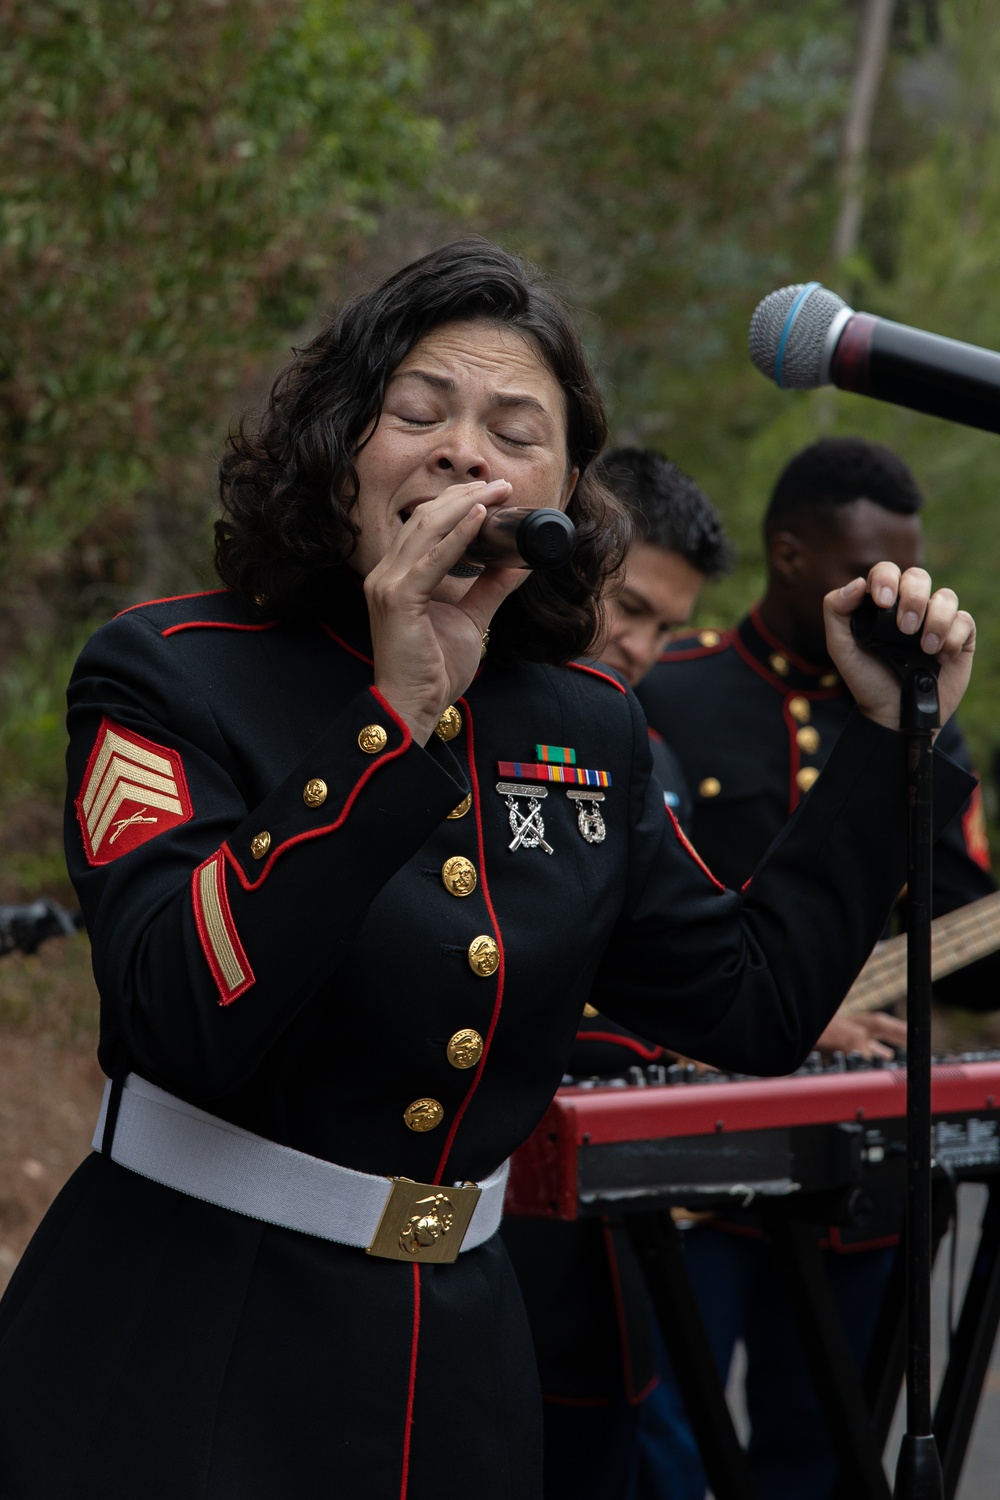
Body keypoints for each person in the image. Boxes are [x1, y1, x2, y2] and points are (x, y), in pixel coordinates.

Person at [0, 249, 977, 1500]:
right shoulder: (172, 670)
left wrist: (891, 741)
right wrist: (390, 716)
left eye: (515, 433)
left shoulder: (588, 721)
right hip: (185, 1342)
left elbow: (750, 1005)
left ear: (562, 492)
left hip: (460, 1364)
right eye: (420, 414)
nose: (466, 455)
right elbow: (178, 1010)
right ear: (342, 444)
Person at [636, 434, 997, 1500]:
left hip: (856, 1175)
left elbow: (962, 948)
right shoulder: (667, 691)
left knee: (828, 1450)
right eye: (864, 568)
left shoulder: (921, 719)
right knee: (665, 1449)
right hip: (682, 1154)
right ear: (790, 554)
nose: (893, 601)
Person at [502, 447, 733, 1498]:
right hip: (490, 1232)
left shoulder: (639, 751)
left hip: (618, 1250)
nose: (641, 648)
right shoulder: (471, 715)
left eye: (666, 630)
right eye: (628, 607)